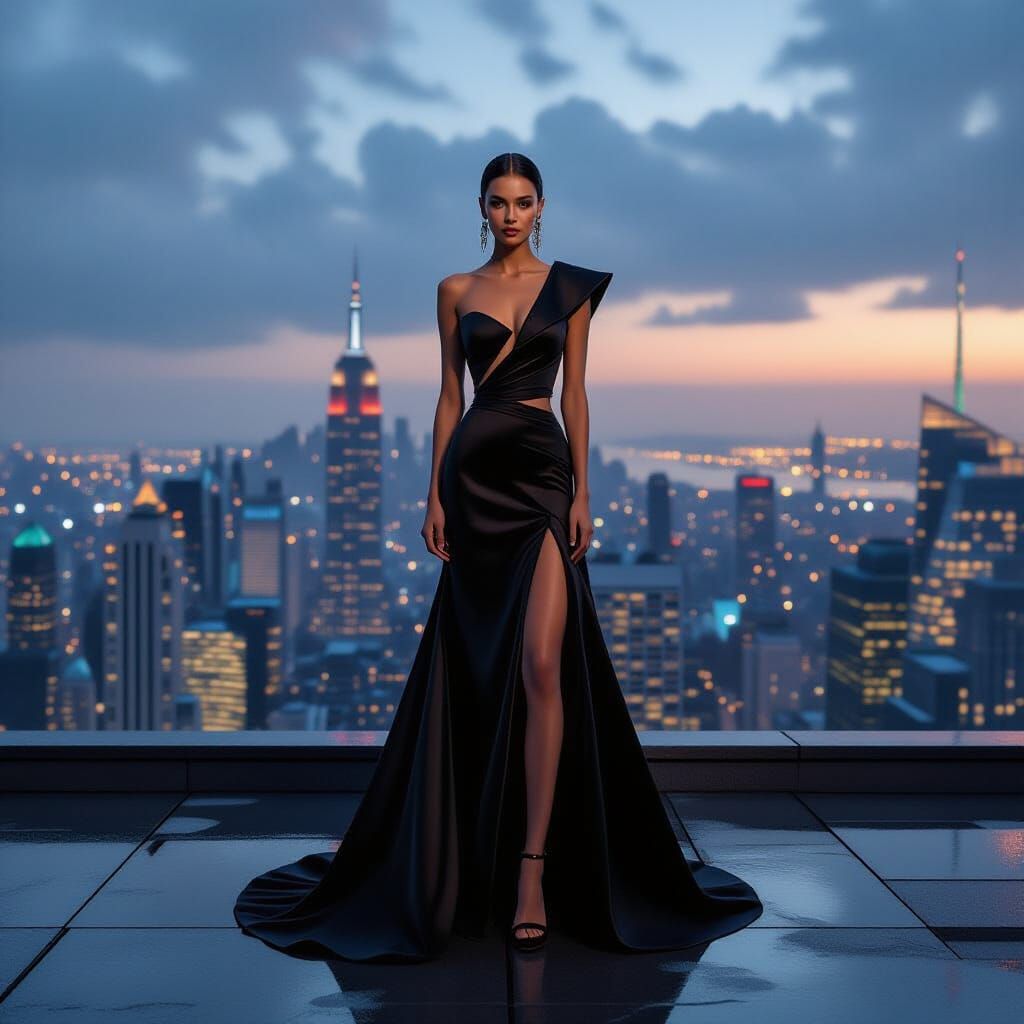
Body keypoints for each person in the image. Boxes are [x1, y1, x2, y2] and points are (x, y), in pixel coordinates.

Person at [234, 152, 763, 962]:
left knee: (544, 666)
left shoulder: (572, 289)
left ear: (541, 207)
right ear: (481, 209)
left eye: (522, 202)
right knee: (477, 664)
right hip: (475, 481)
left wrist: (583, 491)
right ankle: (470, 850)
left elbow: (576, 392)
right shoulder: (456, 291)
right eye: (497, 202)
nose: (510, 214)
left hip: (545, 480)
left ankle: (531, 869)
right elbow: (449, 396)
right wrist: (433, 494)